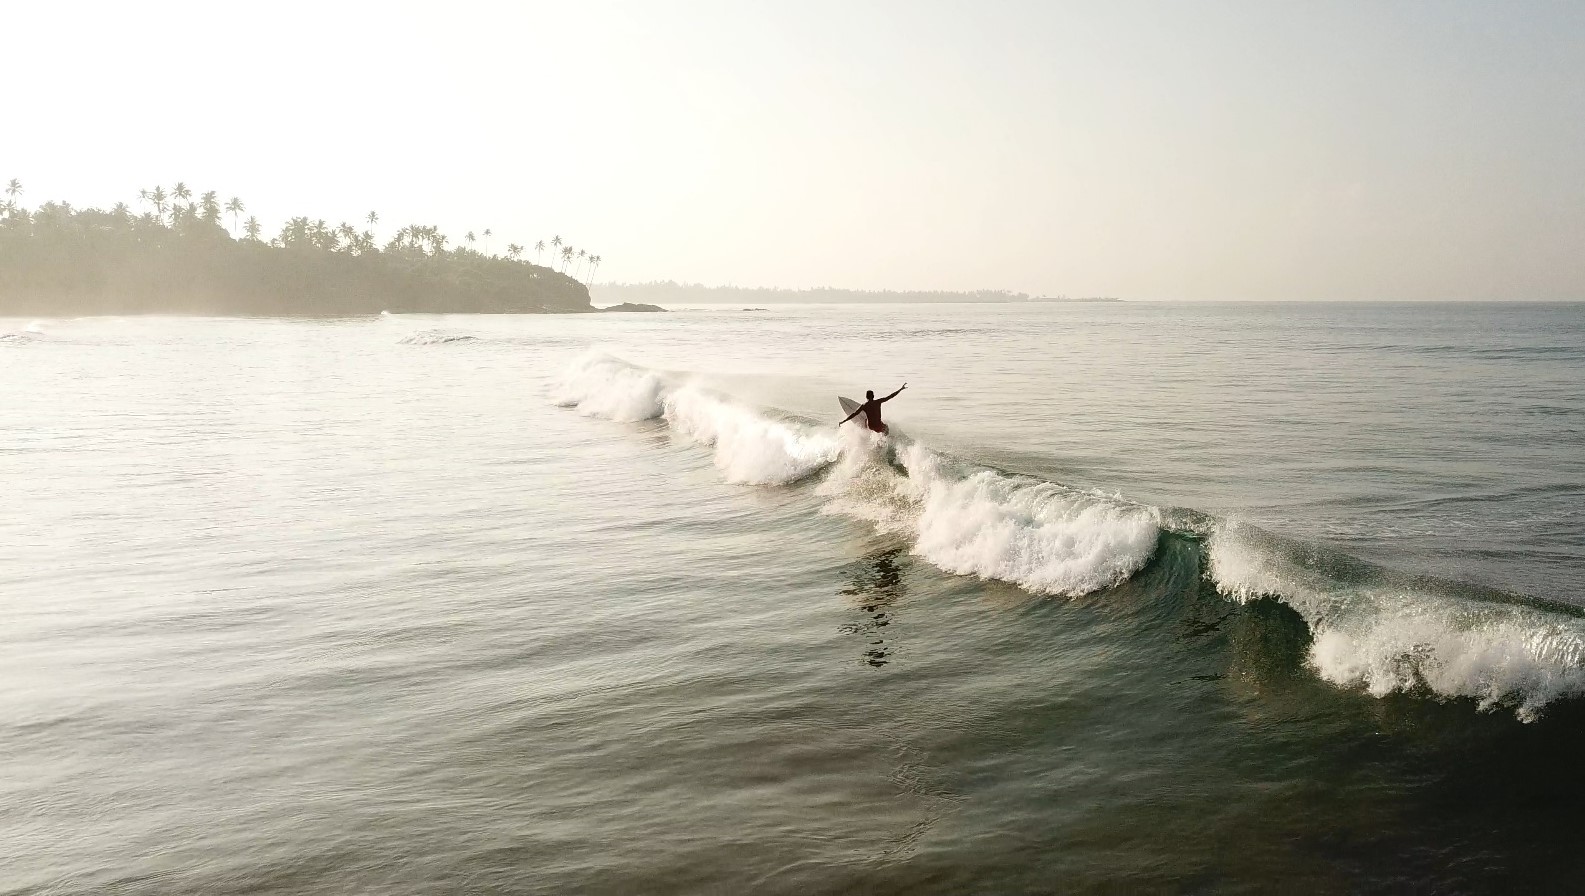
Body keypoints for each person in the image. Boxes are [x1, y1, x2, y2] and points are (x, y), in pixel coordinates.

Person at [840, 383, 907, 434]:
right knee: (886, 427)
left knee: (866, 420)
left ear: (866, 397)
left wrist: (843, 421)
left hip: (871, 426)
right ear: (873, 396)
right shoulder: (878, 402)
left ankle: (865, 426)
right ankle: (884, 440)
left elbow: (854, 414)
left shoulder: (864, 405)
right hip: (878, 426)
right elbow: (891, 396)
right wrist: (901, 389)